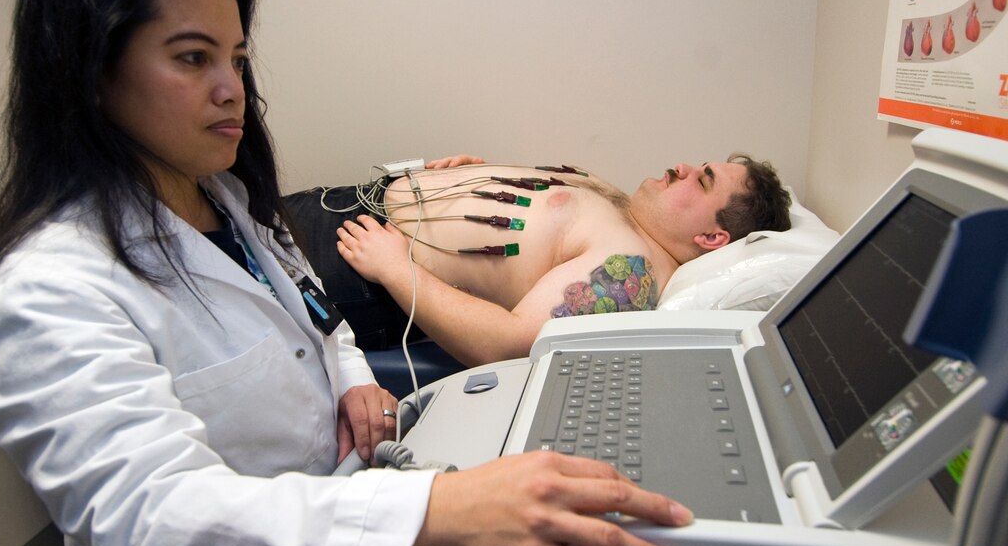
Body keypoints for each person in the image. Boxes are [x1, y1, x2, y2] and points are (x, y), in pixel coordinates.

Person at [0, 0, 693, 546]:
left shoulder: (222, 200)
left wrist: (350, 377)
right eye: (193, 57)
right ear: (90, 72)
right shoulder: (43, 296)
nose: (231, 88)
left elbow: (308, 304)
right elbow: (152, 535)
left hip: (321, 533)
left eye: (237, 59)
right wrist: (432, 513)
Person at [284, 152, 791, 366]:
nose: (679, 166)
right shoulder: (623, 210)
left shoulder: (629, 272)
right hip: (350, 205)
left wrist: (395, 268)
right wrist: (469, 179)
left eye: (700, 180)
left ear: (711, 237)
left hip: (356, 266)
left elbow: (510, 343)